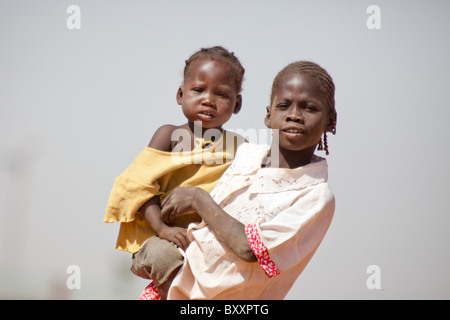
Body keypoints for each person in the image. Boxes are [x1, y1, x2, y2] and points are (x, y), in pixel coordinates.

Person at [139, 60, 337, 300]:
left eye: (309, 108)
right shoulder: (244, 154)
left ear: (330, 120)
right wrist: (158, 247)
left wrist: (198, 199)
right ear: (268, 115)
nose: (294, 115)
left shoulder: (315, 197)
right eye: (284, 105)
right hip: (173, 291)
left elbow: (249, 248)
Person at [103, 46, 246, 299]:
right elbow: (139, 186)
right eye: (198, 90)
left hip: (205, 240)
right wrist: (162, 229)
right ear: (181, 94)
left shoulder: (240, 147)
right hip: (159, 240)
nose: (208, 100)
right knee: (165, 257)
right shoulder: (168, 136)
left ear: (237, 104)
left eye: (222, 94)